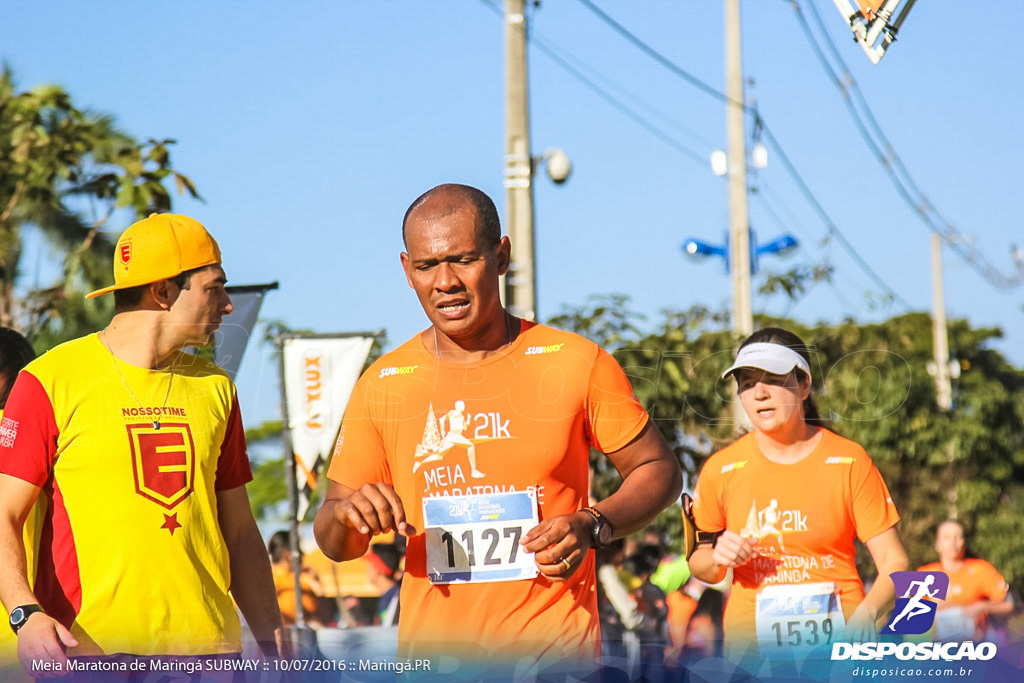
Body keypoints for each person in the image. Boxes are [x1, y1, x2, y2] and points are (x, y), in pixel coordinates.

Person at [313, 183, 682, 676]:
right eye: (426, 266)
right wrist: (346, 516)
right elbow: (336, 540)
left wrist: (593, 525)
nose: (445, 281)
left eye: (464, 259)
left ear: (501, 255)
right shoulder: (384, 384)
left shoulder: (574, 362)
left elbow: (658, 469)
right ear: (407, 270)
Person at [0, 214, 284, 677]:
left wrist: (278, 650)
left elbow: (240, 533)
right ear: (164, 292)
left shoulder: (216, 388)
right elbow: (4, 516)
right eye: (215, 287)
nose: (229, 305)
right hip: (90, 652)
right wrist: (24, 614)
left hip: (211, 656)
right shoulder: (50, 380)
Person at [689, 327, 909, 658]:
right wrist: (717, 557)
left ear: (804, 385)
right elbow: (698, 561)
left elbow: (895, 562)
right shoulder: (721, 469)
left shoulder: (848, 460)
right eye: (747, 384)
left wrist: (867, 613)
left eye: (773, 379)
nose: (759, 393)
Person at [918, 519, 1013, 641]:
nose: (953, 542)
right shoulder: (925, 574)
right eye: (947, 537)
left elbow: (1009, 605)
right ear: (937, 543)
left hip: (977, 643)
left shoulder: (981, 569)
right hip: (937, 646)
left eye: (958, 537)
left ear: (964, 542)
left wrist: (981, 607)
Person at [268, 530, 323, 628]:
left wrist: (315, 580)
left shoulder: (302, 576)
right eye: (298, 550)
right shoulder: (272, 579)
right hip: (284, 632)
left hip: (303, 631)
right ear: (288, 554)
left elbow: (320, 596)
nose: (302, 555)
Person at [366, 544, 402, 627]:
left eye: (370, 564)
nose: (367, 568)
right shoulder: (392, 595)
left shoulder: (398, 599)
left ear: (377, 568)